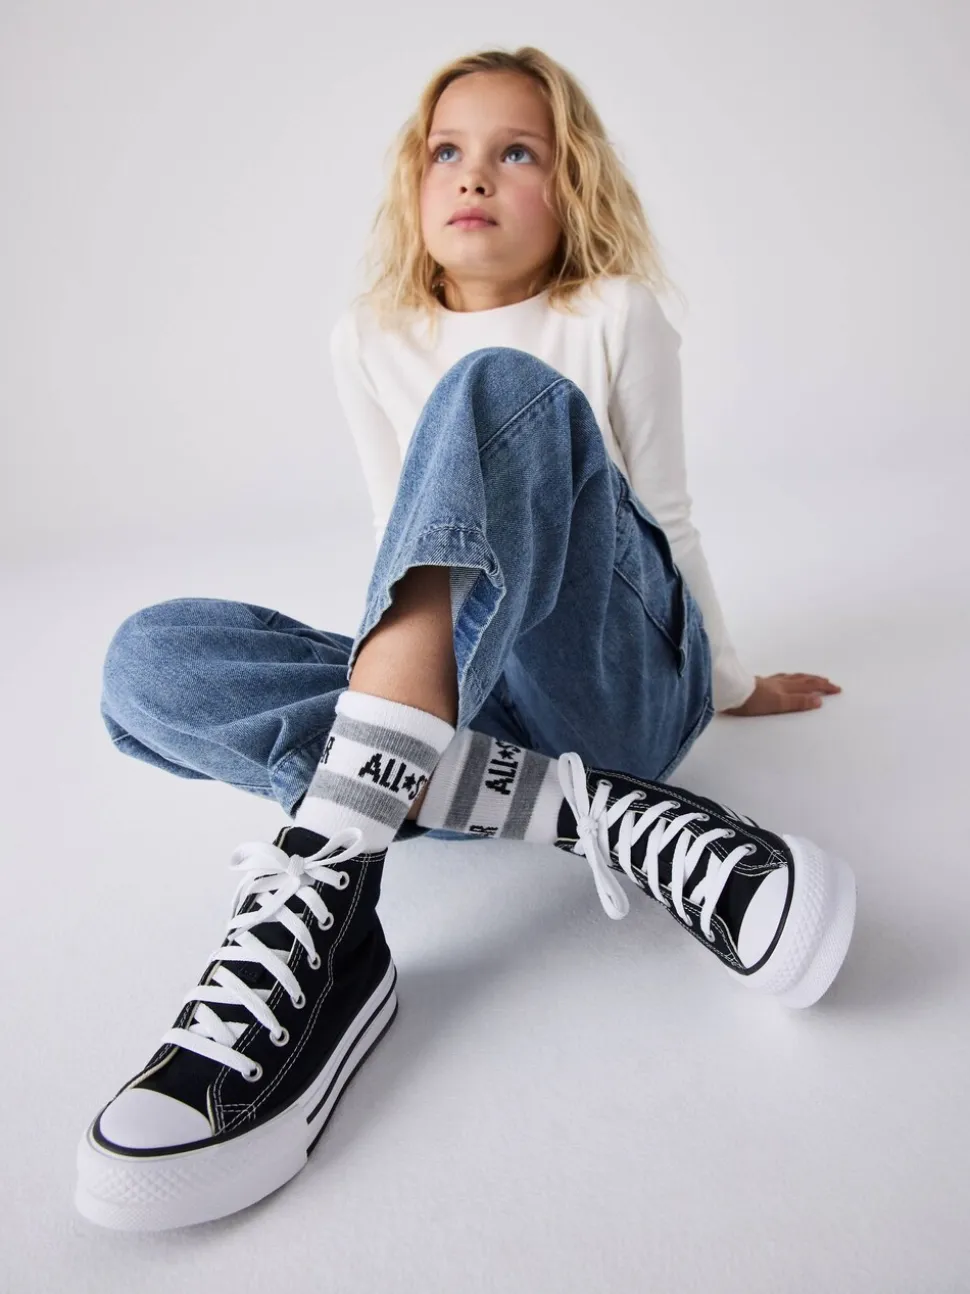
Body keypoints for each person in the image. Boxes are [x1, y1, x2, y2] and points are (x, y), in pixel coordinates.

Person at [75, 46, 856, 1233]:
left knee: (501, 390)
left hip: (617, 679)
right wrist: (397, 683)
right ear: (415, 179)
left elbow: (670, 515)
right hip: (470, 697)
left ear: (570, 185)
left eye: (515, 152)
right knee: (150, 661)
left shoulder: (613, 314)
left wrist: (727, 682)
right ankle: (583, 813)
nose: (474, 175)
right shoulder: (368, 337)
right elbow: (402, 555)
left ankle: (335, 865)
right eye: (448, 150)